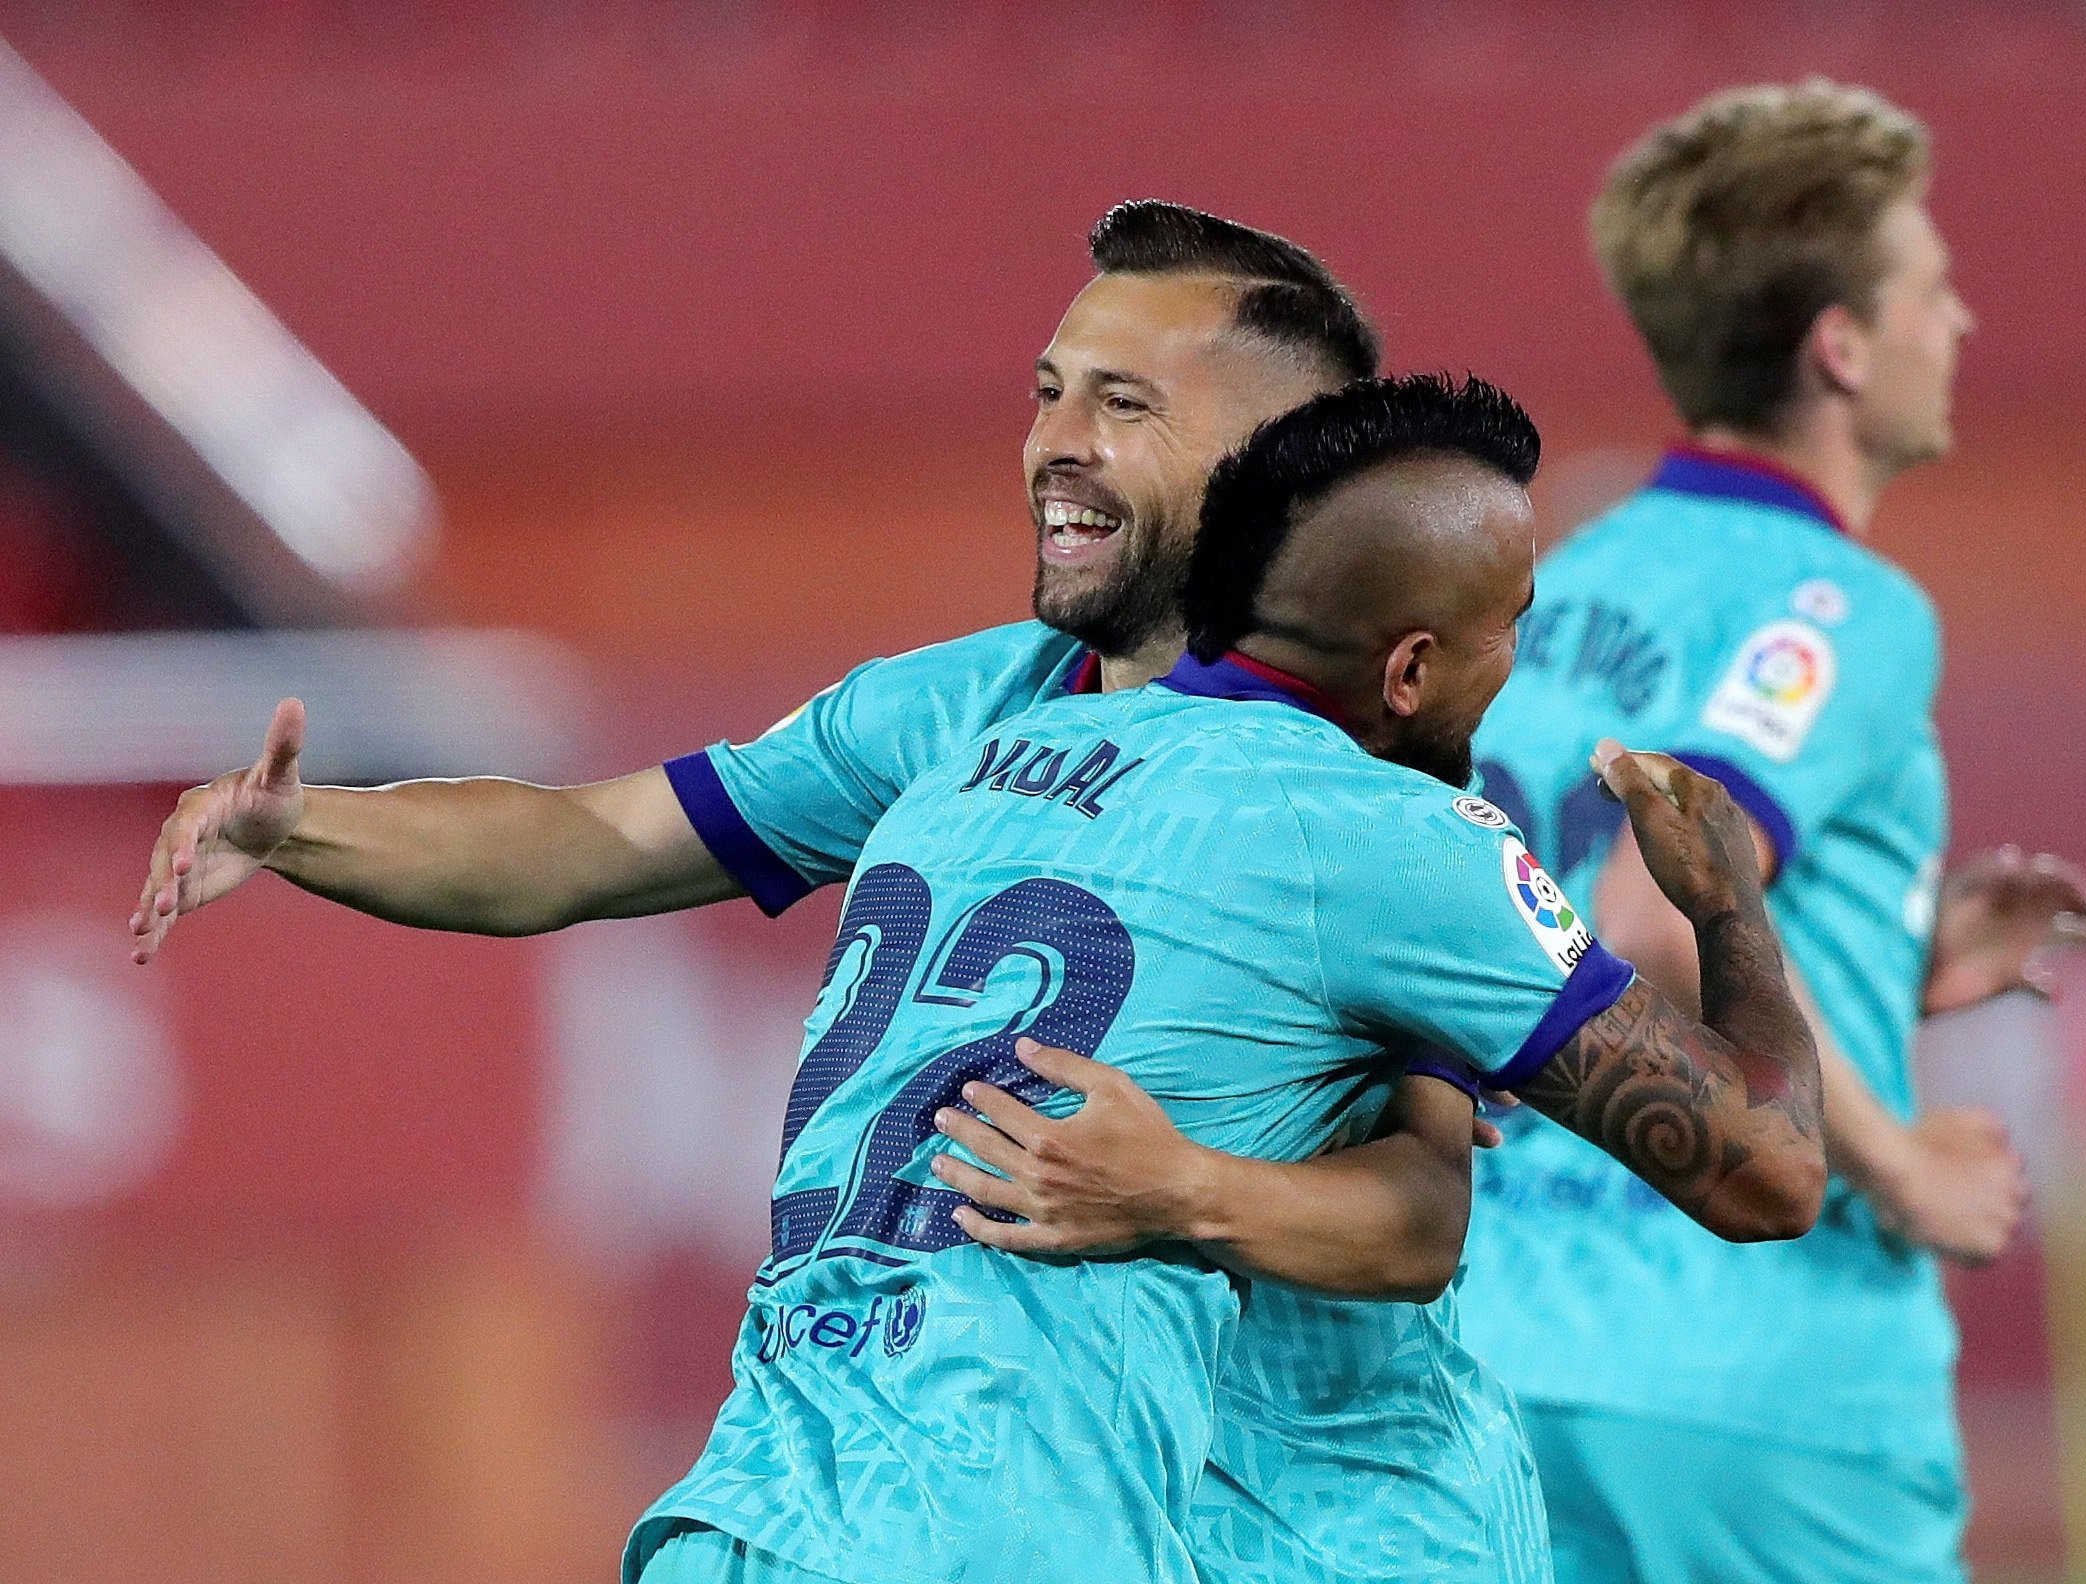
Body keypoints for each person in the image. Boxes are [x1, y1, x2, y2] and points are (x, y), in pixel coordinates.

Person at [128, 204, 1547, 1582]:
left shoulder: (1359, 794)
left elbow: (1426, 1212)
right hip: (1045, 1507)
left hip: (1327, 1518)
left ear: (1272, 471)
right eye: (1050, 394)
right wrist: (303, 832)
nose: (1057, 445)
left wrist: (1182, 1190)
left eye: (1122, 406)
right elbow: (594, 840)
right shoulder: (956, 708)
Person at [629, 373, 1826, 1584]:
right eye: (1510, 623)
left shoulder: (970, 765)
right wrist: (1728, 902)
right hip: (996, 1530)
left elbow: (1411, 1208)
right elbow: (1766, 1172)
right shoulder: (1390, 838)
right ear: (1408, 670)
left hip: (733, 1513)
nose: (1517, 661)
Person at [1447, 81, 2086, 1584]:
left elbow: (1547, 905)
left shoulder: (1562, 582)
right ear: (1841, 345)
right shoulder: (1845, 607)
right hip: (1758, 1379)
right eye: (1932, 289)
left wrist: (1893, 949)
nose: (1964, 325)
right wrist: (1896, 1165)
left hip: (1502, 1357)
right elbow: (1648, 911)